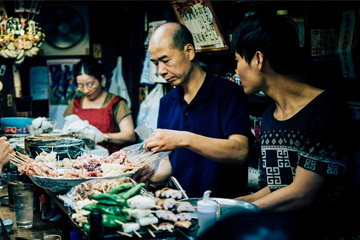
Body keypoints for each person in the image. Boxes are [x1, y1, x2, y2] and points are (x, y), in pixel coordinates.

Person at [231, 13, 358, 238]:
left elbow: (301, 192)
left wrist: (241, 213)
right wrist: (236, 203)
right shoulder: (270, 116)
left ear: (258, 60)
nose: (236, 72)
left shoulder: (326, 109)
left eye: (238, 60)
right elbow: (279, 187)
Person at [134, 22, 253, 198]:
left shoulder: (228, 93)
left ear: (189, 51)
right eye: (155, 63)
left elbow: (240, 152)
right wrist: (146, 175)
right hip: (182, 208)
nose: (161, 70)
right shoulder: (167, 102)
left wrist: (183, 138)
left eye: (166, 60)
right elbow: (169, 163)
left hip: (224, 208)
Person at [63, 57, 136, 154]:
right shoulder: (75, 104)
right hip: (80, 158)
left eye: (90, 84)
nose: (86, 90)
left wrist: (102, 137)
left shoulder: (116, 103)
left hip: (110, 160)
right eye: (81, 85)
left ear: (101, 79)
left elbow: (130, 136)